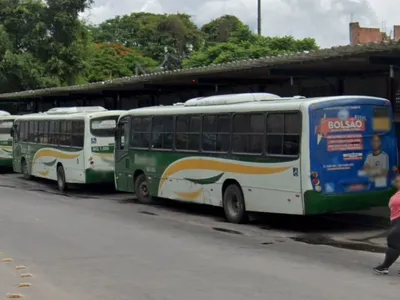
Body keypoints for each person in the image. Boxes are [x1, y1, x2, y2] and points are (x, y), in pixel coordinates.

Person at [373, 174, 400, 274]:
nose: (396, 182)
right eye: (397, 181)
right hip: (396, 220)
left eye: (398, 181)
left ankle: (384, 267)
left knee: (393, 242)